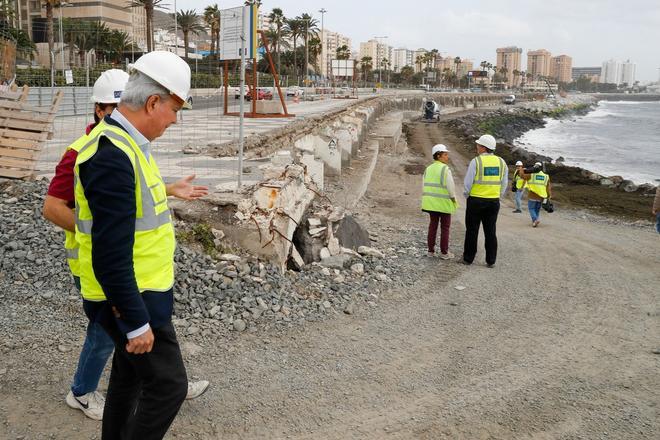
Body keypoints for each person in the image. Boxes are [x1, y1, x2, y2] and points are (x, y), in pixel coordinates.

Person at [43, 69, 209, 422]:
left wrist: (169, 189)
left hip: (140, 283)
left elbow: (131, 205)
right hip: (126, 287)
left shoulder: (130, 146)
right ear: (151, 102)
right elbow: (89, 231)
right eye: (175, 110)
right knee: (167, 385)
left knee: (128, 375)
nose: (175, 121)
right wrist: (134, 320)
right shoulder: (107, 153)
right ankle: (82, 391)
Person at [462, 134, 507, 267]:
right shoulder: (501, 162)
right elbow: (504, 183)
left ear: (483, 147)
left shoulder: (476, 161)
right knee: (490, 231)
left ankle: (468, 258)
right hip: (493, 202)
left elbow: (468, 183)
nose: (477, 147)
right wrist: (498, 195)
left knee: (472, 230)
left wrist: (467, 195)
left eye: (478, 145)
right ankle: (491, 260)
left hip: (475, 200)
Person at [421, 144, 458, 259]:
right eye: (445, 154)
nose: (447, 157)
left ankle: (430, 251)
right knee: (445, 228)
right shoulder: (445, 169)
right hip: (444, 204)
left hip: (431, 204)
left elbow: (423, 186)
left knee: (433, 226)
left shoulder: (428, 169)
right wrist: (453, 199)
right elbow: (451, 188)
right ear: (438, 156)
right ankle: (444, 253)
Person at [520, 161, 552, 227]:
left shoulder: (531, 175)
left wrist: (522, 169)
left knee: (531, 208)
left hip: (532, 195)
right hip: (541, 196)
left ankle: (535, 220)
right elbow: (548, 188)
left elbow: (522, 176)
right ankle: (535, 222)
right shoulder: (546, 176)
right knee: (537, 209)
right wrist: (548, 196)